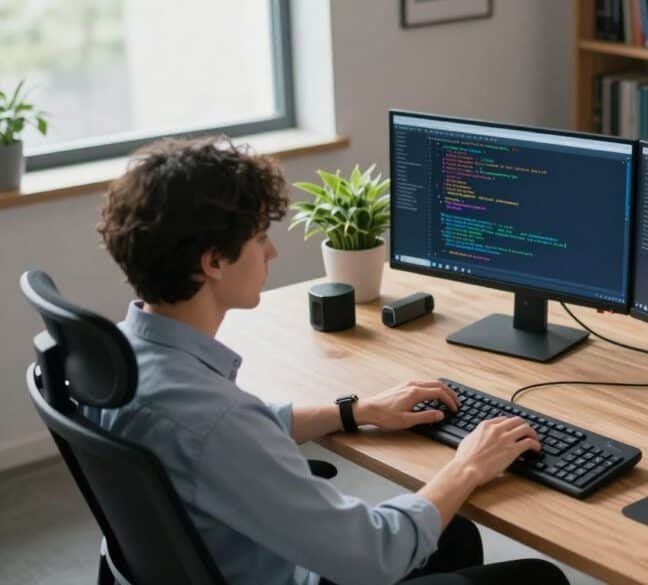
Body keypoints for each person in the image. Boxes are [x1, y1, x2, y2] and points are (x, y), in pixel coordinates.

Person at [90, 136, 570, 585]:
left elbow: (233, 436)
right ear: (214, 262)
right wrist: (467, 465)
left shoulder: (114, 357)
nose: (272, 251)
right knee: (539, 578)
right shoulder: (217, 419)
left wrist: (353, 412)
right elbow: (375, 555)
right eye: (260, 238)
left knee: (454, 534)